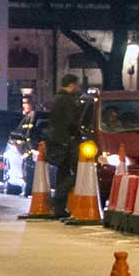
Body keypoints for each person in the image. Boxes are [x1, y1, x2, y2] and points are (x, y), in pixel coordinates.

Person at [47, 75, 87, 217]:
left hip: (56, 140)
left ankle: (59, 209)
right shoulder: (68, 100)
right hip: (67, 140)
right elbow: (71, 122)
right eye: (76, 85)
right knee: (77, 173)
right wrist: (78, 132)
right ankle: (57, 199)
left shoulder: (56, 99)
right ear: (72, 85)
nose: (78, 88)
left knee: (62, 172)